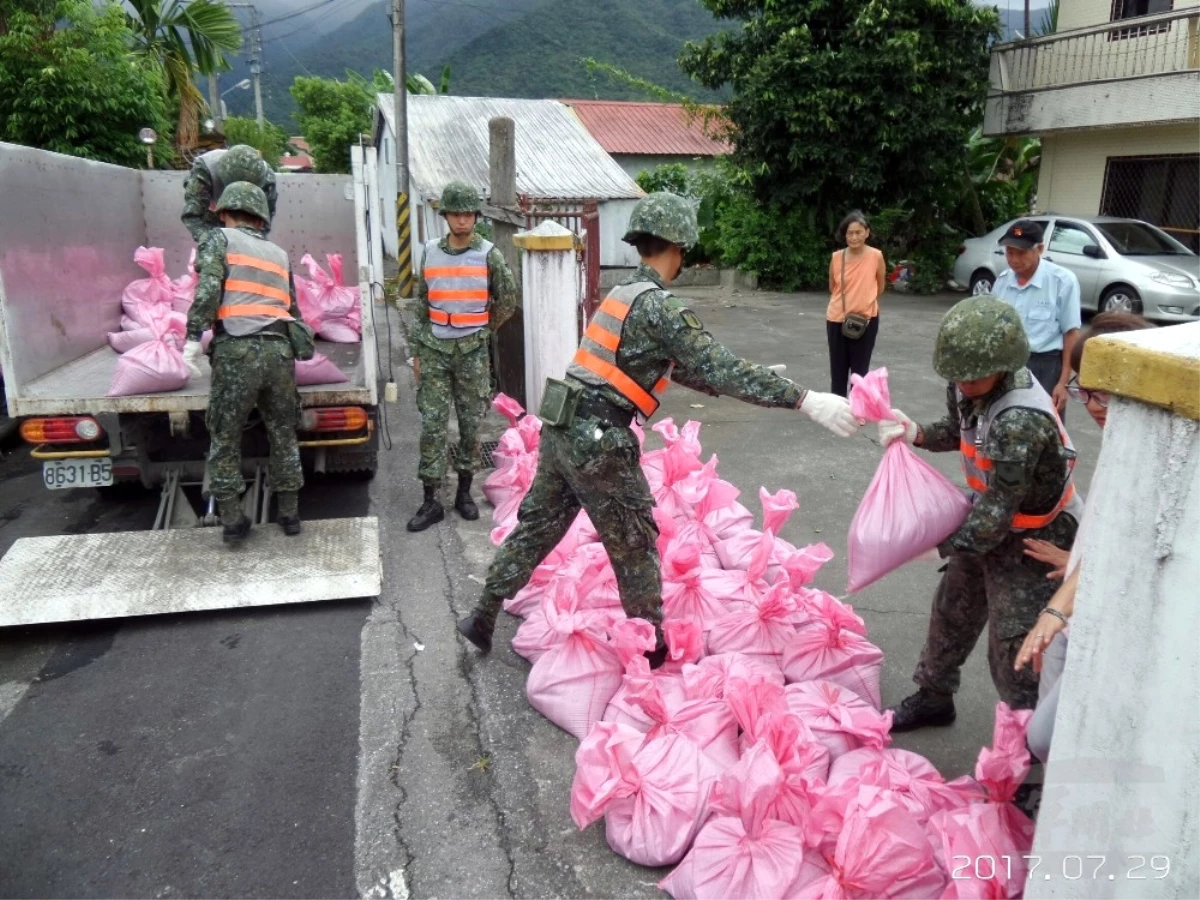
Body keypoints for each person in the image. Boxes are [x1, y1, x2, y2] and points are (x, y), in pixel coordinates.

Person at [456, 192, 861, 662]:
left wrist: (738, 379)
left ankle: (482, 615)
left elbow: (675, 365)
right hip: (599, 438)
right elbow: (717, 365)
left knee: (536, 529)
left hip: (561, 427)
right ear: (678, 244)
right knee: (634, 543)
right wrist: (802, 398)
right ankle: (651, 648)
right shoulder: (662, 307)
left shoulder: (622, 293)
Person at [878, 296, 1085, 729]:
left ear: (1004, 365)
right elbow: (958, 430)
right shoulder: (966, 382)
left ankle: (1028, 749)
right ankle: (934, 695)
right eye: (957, 377)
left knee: (1017, 646)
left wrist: (939, 546)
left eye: (973, 378)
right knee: (953, 610)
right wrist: (916, 433)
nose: (963, 385)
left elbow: (998, 510)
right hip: (987, 522)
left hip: (1036, 536)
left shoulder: (1020, 420)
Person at [1015, 311, 1151, 763]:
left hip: (1104, 627)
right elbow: (1109, 540)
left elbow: (1130, 549)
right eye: (1083, 390)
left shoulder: (1158, 465)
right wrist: (1076, 557)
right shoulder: (1122, 446)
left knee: (1047, 738)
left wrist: (1055, 609)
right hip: (1079, 614)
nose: (1092, 404)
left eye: (1104, 392)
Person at [181, 182, 309, 544]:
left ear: (224, 212)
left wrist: (193, 337)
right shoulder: (279, 253)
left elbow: (207, 292)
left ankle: (233, 520)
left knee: (226, 436)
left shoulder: (219, 240)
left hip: (237, 352)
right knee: (284, 435)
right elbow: (293, 310)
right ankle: (290, 514)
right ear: (261, 217)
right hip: (279, 353)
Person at [406, 181, 518, 532]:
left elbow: (508, 300)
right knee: (433, 425)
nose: (462, 221)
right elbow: (422, 305)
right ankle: (430, 500)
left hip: (471, 352)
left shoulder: (488, 254)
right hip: (435, 350)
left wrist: (484, 330)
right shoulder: (428, 252)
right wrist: (418, 354)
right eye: (456, 213)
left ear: (475, 216)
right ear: (446, 216)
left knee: (471, 425)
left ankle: (464, 493)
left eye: (468, 213)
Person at [991, 220, 1082, 414]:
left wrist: (1063, 383)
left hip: (1045, 367)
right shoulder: (1002, 281)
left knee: (1044, 426)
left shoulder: (1062, 281)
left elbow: (1071, 334)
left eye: (1021, 253)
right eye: (1009, 252)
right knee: (1005, 422)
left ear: (1040, 249)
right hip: (1007, 365)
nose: (1014, 259)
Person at [826, 211, 886, 397]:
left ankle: (858, 409)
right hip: (837, 319)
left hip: (866, 319)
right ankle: (838, 407)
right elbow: (832, 287)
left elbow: (880, 285)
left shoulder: (876, 256)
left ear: (867, 232)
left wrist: (864, 303)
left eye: (858, 232)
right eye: (850, 233)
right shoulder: (837, 257)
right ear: (844, 235)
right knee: (838, 368)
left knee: (860, 370)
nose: (854, 237)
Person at [182, 145, 278, 245]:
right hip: (213, 215)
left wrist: (251, 246)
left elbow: (263, 224)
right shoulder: (204, 170)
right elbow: (193, 216)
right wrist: (212, 246)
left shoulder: (267, 180)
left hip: (249, 221)